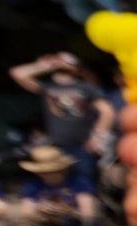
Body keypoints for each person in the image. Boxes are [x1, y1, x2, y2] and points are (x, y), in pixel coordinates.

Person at [10, 52, 112, 188]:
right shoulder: (48, 87)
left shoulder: (85, 87)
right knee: (59, 185)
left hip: (82, 147)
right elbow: (18, 74)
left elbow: (107, 112)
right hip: (56, 148)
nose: (61, 63)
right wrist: (43, 66)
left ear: (76, 69)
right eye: (59, 60)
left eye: (66, 61)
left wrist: (97, 136)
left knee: (85, 185)